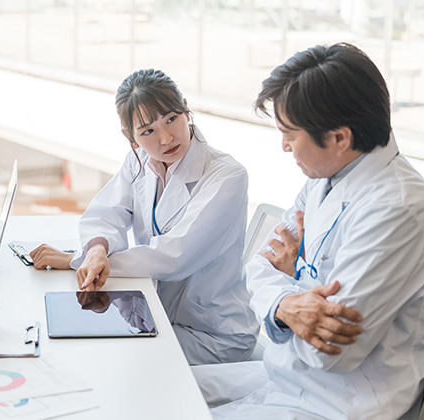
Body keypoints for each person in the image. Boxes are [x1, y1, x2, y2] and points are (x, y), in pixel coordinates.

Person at [192, 43, 424, 420]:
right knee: (163, 385)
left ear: (339, 138)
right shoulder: (326, 177)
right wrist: (285, 304)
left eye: (290, 134)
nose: (284, 146)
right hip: (285, 377)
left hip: (338, 404)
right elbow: (256, 269)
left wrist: (285, 288)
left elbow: (328, 351)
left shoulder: (397, 211)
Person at [30, 69, 258, 365]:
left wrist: (76, 259)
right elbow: (106, 213)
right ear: (131, 137)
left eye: (172, 119)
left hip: (211, 332)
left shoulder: (226, 176)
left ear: (186, 109)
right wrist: (96, 251)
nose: (165, 138)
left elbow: (173, 256)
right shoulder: (138, 162)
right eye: (148, 131)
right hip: (155, 313)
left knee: (115, 366)